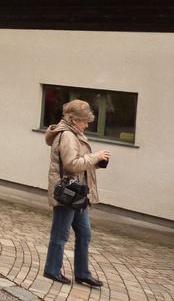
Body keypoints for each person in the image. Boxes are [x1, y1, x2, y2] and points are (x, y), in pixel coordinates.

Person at [43, 99, 111, 287]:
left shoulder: (74, 133)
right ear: (74, 120)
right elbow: (71, 164)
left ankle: (82, 273)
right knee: (60, 234)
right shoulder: (68, 135)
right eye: (84, 121)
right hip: (67, 193)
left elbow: (79, 162)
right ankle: (52, 270)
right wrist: (95, 156)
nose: (87, 125)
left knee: (85, 233)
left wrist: (97, 162)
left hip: (78, 193)